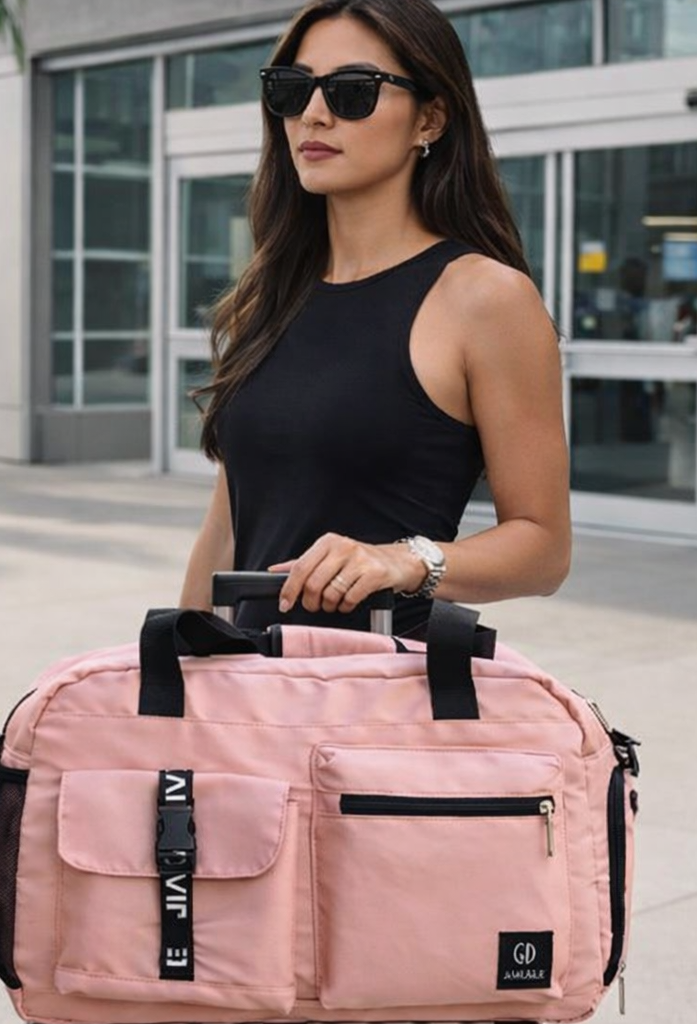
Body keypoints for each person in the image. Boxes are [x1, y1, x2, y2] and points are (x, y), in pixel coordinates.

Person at [179, 0, 570, 635]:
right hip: (250, 702)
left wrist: (404, 560)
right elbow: (226, 526)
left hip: (380, 702)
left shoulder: (486, 298)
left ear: (431, 117)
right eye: (292, 89)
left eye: (353, 90)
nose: (314, 112)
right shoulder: (267, 295)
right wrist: (182, 671)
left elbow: (544, 549)